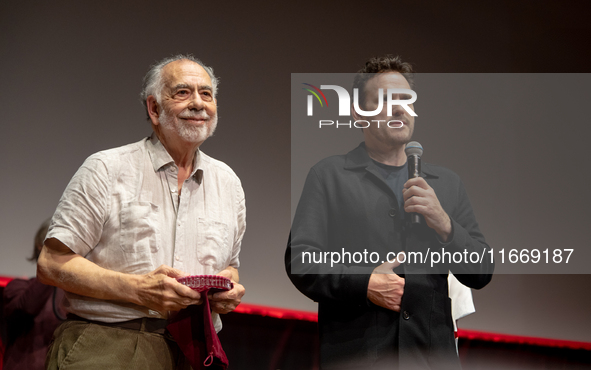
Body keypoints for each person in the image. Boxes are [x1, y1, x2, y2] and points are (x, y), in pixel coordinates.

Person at [37, 54, 246, 369]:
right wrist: (137, 290)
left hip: (195, 352)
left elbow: (230, 266)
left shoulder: (228, 182)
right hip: (108, 345)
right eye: (182, 92)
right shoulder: (107, 168)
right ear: (154, 108)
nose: (198, 103)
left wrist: (228, 288)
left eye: (206, 94)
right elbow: (51, 264)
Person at [286, 55, 494, 369]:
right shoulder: (329, 176)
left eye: (406, 100)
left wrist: (444, 224)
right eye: (385, 100)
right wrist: (365, 283)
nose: (399, 108)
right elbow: (302, 261)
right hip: (359, 354)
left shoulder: (447, 184)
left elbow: (482, 269)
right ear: (359, 114)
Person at [2, 219, 66, 370]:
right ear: (40, 247)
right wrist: (52, 263)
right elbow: (27, 306)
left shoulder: (72, 295)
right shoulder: (16, 287)